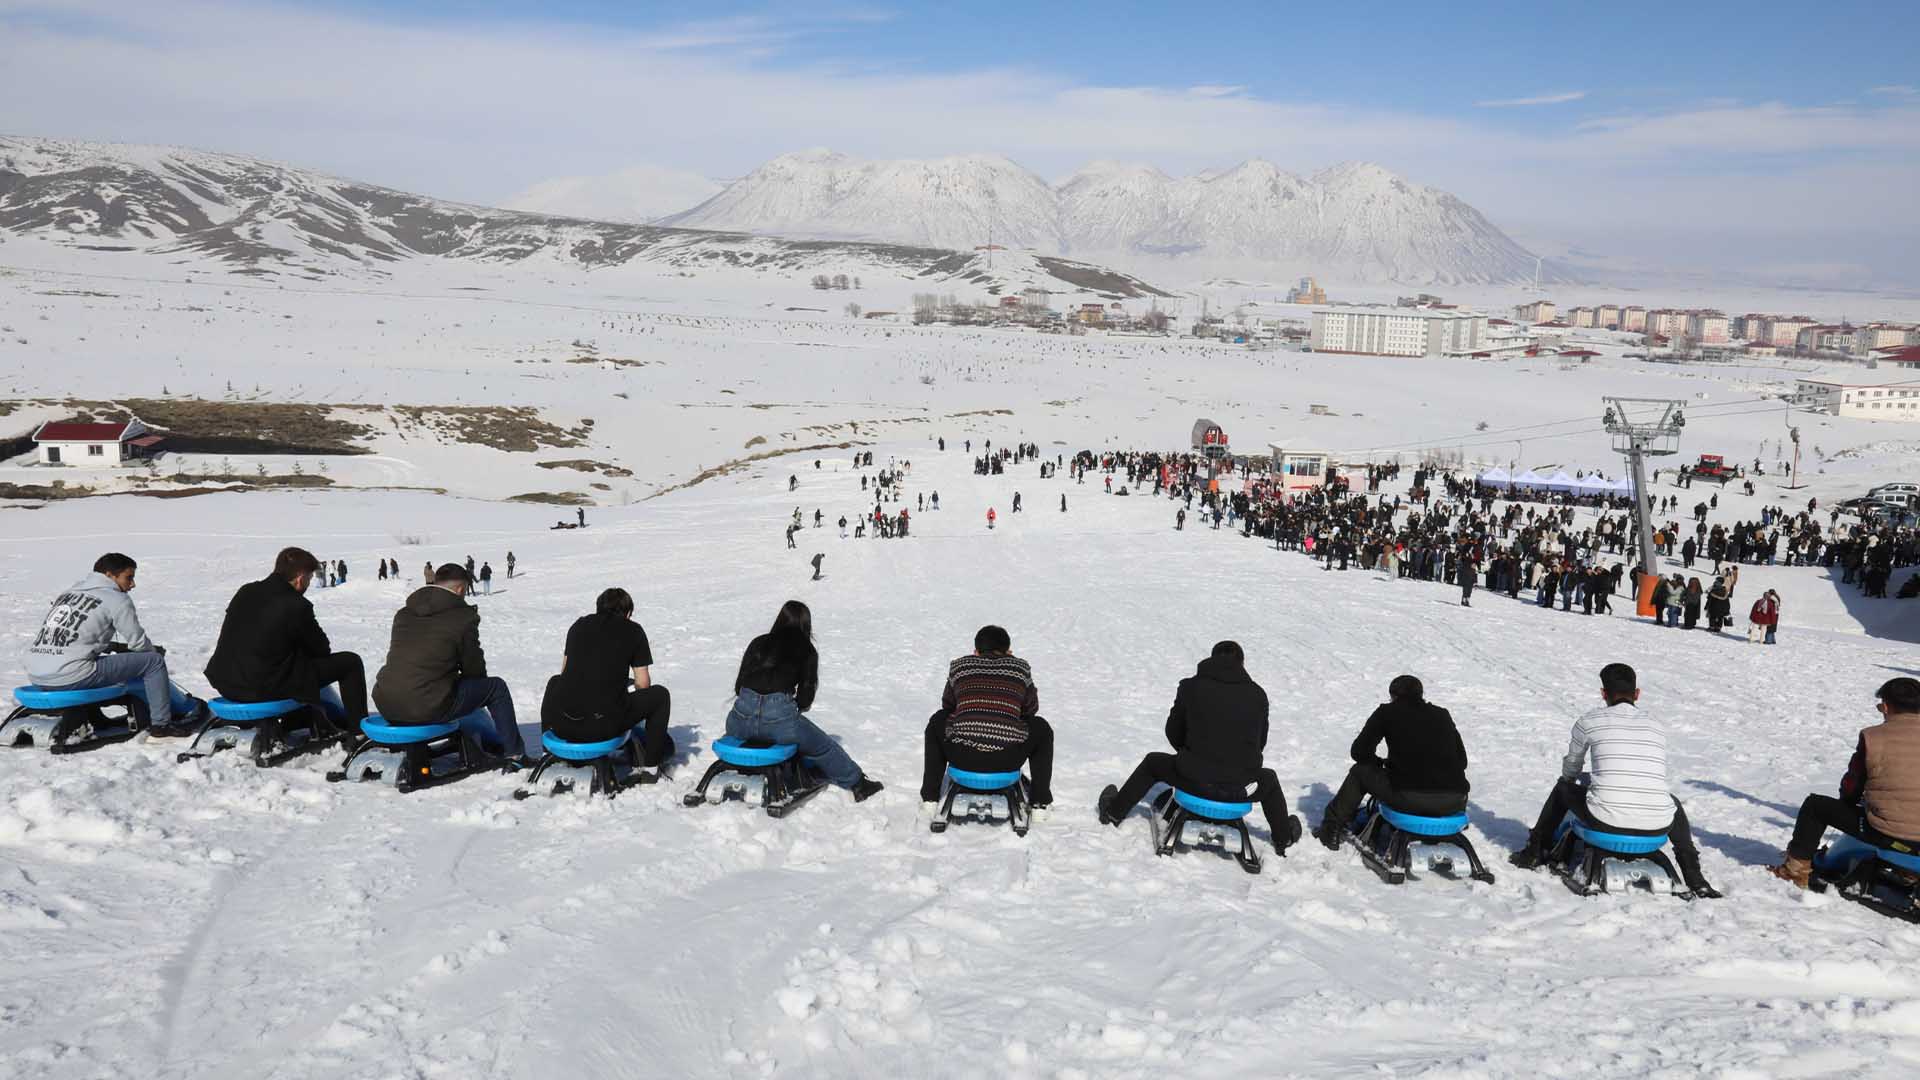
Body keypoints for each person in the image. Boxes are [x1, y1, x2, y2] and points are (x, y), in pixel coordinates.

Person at [1507, 663, 1720, 897]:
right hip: (1657, 828)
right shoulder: (1656, 725)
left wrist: (1572, 783)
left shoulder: (1589, 720)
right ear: (1637, 694)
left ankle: (1534, 852)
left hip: (1605, 821)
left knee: (1562, 789)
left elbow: (1572, 767)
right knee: (1671, 801)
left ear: (1603, 693)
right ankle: (1695, 877)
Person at [1096, 641, 1302, 854]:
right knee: (1269, 781)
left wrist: (1191, 753)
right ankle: (1283, 837)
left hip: (1193, 779)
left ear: (1212, 659)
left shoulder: (1190, 687)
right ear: (1242, 664)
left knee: (1152, 763)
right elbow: (1260, 743)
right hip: (1239, 787)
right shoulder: (1258, 696)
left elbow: (1173, 732)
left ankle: (1113, 812)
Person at [23, 552, 205, 737]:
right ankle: (161, 725)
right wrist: (152, 652)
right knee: (154, 662)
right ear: (109, 575)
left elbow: (75, 635)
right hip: (70, 676)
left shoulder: (68, 594)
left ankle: (94, 715)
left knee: (89, 661)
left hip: (37, 675)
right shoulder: (115, 598)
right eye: (129, 577)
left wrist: (115, 647)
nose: (133, 584)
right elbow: (138, 643)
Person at [1769, 678, 1920, 887]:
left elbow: (1852, 787)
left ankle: (1794, 871)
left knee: (1815, 807)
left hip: (1890, 833)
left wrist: (1850, 803)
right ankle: (1908, 869)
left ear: (1886, 707)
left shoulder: (1873, 737)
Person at [726, 600, 882, 800]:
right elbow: (805, 699)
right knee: (825, 747)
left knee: (788, 732)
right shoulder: (807, 650)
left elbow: (739, 686)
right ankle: (859, 784)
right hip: (780, 724)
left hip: (738, 722)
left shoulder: (758, 642)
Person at [204, 546, 366, 735]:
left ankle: (301, 716)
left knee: (288, 664)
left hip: (226, 682)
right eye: (309, 578)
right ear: (300, 578)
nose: (308, 584)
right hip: (260, 688)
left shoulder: (245, 591)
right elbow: (321, 649)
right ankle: (358, 732)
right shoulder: (296, 604)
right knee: (350, 662)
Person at [371, 563, 525, 760]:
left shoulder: (404, 613)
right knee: (496, 688)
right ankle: (515, 754)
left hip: (386, 701)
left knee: (438, 683)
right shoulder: (462, 617)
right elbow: (473, 669)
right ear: (460, 589)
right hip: (424, 705)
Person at [1313, 676, 1468, 849]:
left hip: (1409, 798)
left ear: (1393, 696)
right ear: (1421, 694)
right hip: (1454, 801)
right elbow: (1462, 762)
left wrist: (1379, 763)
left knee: (1360, 771)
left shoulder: (1387, 712)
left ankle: (1331, 827)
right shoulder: (1442, 714)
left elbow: (1359, 752)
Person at [919, 625, 1054, 813]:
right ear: (1008, 650)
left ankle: (929, 798)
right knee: (1041, 728)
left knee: (937, 720)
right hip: (1007, 759)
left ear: (976, 651)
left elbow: (948, 706)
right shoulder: (1020, 668)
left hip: (962, 757)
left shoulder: (960, 666)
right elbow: (1030, 710)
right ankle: (1040, 802)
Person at [541, 587, 672, 766]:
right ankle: (651, 767)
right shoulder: (633, 630)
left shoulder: (578, 626)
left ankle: (547, 752)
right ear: (628, 613)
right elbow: (643, 683)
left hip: (561, 725)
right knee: (660, 696)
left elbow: (564, 673)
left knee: (555, 681)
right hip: (602, 727)